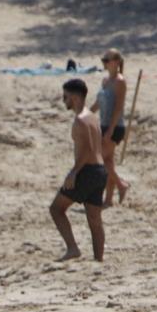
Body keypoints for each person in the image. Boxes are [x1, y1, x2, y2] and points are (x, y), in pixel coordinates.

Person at [50, 78, 107, 263]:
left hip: (87, 171)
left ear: (74, 97)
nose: (63, 100)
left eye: (65, 96)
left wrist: (73, 172)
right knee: (94, 219)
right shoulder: (92, 116)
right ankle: (99, 260)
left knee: (56, 209)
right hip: (100, 170)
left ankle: (73, 248)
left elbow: (88, 150)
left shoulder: (80, 121)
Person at [96, 50, 130, 207]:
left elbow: (118, 107)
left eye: (107, 60)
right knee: (109, 162)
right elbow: (99, 103)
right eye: (103, 60)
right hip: (103, 124)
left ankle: (121, 185)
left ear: (116, 62)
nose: (104, 63)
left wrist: (110, 130)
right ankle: (108, 199)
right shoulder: (105, 80)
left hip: (115, 126)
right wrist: (86, 114)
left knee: (102, 160)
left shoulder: (120, 82)